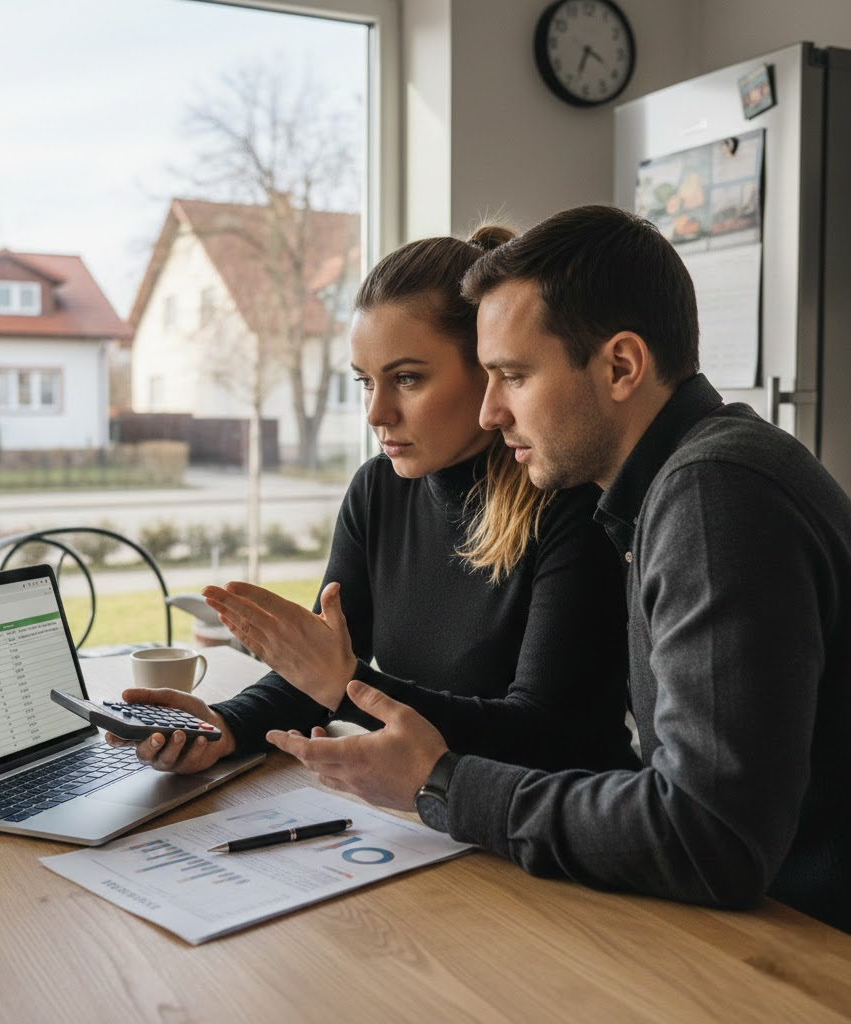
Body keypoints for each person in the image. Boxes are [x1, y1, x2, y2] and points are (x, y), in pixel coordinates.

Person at [259, 204, 851, 934]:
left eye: (511, 375)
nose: (489, 412)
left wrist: (439, 784)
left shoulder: (710, 494)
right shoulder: (679, 484)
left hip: (812, 947)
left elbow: (710, 840)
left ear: (621, 366)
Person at [108, 226, 637, 780]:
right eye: (365, 382)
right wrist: (224, 726)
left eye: (406, 379)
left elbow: (540, 735)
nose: (376, 413)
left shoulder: (571, 506)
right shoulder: (378, 489)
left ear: (488, 371)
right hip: (439, 816)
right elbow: (317, 675)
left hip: (559, 834)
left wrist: (344, 685)